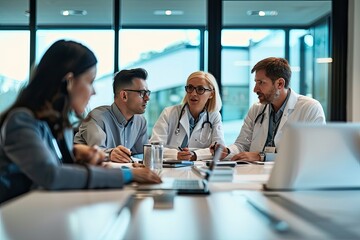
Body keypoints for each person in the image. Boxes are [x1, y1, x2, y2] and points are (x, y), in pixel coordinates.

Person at [0, 40, 161, 204]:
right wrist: (127, 175)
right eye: (90, 81)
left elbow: (57, 166)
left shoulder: (59, 126)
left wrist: (79, 157)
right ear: (69, 82)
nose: (94, 91)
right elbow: (52, 175)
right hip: (16, 218)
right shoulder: (21, 121)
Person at [214, 57, 326, 162]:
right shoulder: (256, 109)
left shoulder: (309, 108)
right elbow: (242, 144)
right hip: (253, 173)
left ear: (280, 84)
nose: (255, 89)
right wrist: (227, 151)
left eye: (261, 83)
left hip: (290, 177)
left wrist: (262, 156)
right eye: (256, 82)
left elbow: (314, 153)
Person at [74, 68, 150, 163]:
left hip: (117, 172)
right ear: (124, 96)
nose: (147, 98)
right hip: (82, 171)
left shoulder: (141, 122)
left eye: (147, 93)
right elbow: (98, 153)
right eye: (142, 93)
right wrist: (110, 154)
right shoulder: (97, 118)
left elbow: (139, 156)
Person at [150, 71, 224, 160]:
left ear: (211, 94)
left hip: (200, 170)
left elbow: (220, 150)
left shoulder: (214, 116)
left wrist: (195, 155)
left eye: (200, 89)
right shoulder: (169, 113)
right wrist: (176, 155)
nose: (193, 93)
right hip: (171, 169)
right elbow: (153, 148)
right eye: (190, 88)